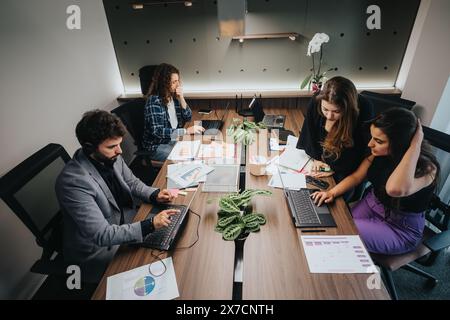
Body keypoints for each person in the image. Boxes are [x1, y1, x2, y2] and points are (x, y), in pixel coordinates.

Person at [56, 110, 179, 282]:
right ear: (89, 146)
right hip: (99, 248)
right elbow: (102, 235)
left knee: (174, 243)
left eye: (119, 144)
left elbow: (132, 183)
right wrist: (149, 225)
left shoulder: (110, 156)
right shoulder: (73, 182)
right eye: (112, 146)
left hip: (124, 221)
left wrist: (154, 194)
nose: (119, 151)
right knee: (163, 266)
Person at [311, 108, 439, 255]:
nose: (370, 144)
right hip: (371, 204)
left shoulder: (427, 168)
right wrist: (331, 192)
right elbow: (357, 176)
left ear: (400, 143)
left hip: (398, 227)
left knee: (341, 233)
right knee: (331, 223)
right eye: (372, 138)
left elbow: (394, 189)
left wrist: (415, 144)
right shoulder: (379, 153)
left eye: (378, 141)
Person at [297, 76, 374, 186]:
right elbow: (310, 134)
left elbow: (360, 149)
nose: (329, 116)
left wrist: (333, 168)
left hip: (347, 168)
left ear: (348, 108)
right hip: (320, 160)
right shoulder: (316, 100)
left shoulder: (364, 109)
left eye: (336, 111)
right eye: (325, 109)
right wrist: (317, 159)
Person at [142, 63, 204, 161]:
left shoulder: (173, 97)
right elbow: (157, 131)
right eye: (174, 82)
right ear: (164, 83)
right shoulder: (154, 101)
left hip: (174, 140)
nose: (178, 84)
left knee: (199, 150)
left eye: (178, 80)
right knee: (189, 159)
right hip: (158, 146)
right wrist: (186, 131)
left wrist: (181, 99)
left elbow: (188, 117)